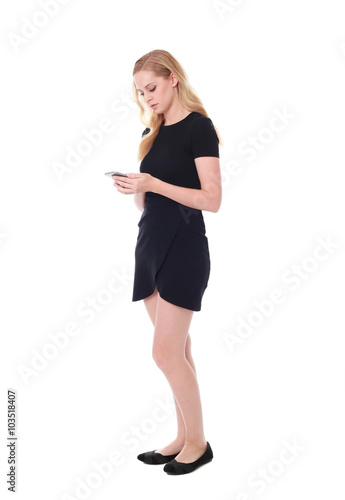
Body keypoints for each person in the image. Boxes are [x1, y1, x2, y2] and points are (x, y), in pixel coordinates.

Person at [113, 49, 222, 475]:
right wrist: (137, 188)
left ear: (173, 78)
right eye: (141, 92)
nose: (148, 97)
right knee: (178, 349)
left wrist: (156, 182)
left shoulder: (200, 128)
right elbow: (151, 203)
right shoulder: (151, 130)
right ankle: (182, 437)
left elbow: (211, 200)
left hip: (184, 246)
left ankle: (199, 442)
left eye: (152, 88)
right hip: (150, 244)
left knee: (164, 352)